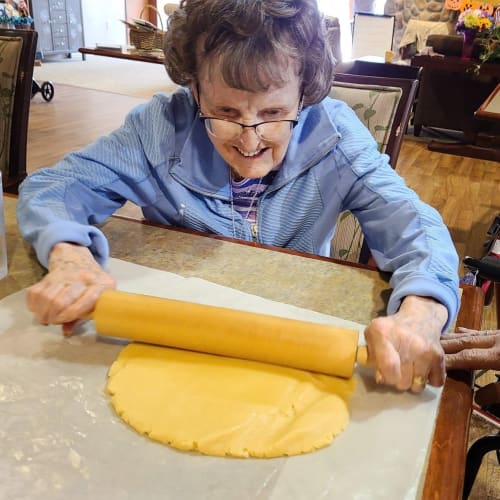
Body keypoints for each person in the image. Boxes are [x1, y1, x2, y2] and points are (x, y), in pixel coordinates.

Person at [17, 0, 459, 394]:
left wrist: (421, 312)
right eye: (226, 112)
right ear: (194, 90)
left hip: (299, 337)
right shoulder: (156, 130)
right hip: (178, 336)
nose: (251, 139)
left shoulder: (337, 135)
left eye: (273, 113)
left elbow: (413, 223)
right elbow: (54, 187)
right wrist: (69, 255)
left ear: (303, 95)